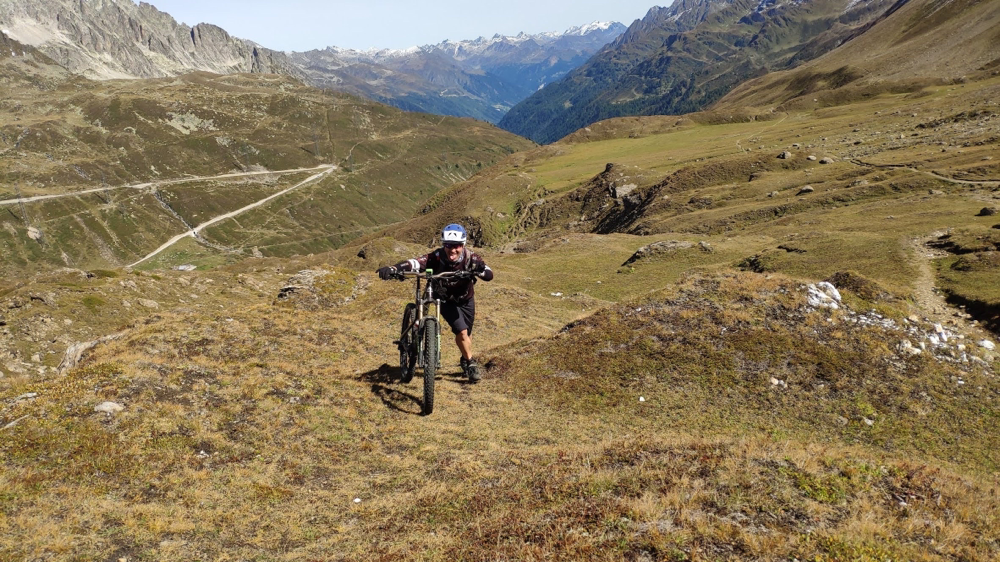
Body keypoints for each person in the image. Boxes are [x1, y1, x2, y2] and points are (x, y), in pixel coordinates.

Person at [377, 224, 494, 382]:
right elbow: (416, 263)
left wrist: (481, 271)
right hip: (444, 300)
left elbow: (488, 272)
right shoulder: (437, 257)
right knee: (462, 332)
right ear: (443, 244)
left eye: (457, 246)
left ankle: (465, 358)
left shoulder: (471, 258)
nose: (452, 250)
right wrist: (394, 268)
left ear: (463, 245)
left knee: (467, 333)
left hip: (466, 300)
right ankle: (470, 362)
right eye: (448, 245)